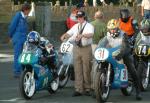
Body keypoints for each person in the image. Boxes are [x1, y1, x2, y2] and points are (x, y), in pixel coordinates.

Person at [97, 19, 142, 100]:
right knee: (100, 64)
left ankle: (138, 92)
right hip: (113, 52)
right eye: (110, 29)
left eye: (114, 28)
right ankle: (98, 89)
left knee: (132, 69)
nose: (112, 30)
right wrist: (98, 49)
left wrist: (120, 54)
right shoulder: (107, 35)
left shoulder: (123, 34)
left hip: (125, 52)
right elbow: (101, 43)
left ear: (117, 28)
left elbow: (124, 47)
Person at [60, 10, 94, 96]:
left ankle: (87, 88)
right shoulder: (76, 26)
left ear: (84, 17)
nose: (79, 19)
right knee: (77, 69)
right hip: (76, 48)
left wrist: (82, 35)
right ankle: (78, 89)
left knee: (86, 69)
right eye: (78, 17)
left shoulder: (89, 25)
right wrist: (64, 35)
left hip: (86, 48)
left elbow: (91, 34)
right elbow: (69, 33)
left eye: (80, 17)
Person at [8, 2, 31, 78]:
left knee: (22, 56)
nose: (29, 12)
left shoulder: (25, 17)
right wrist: (10, 36)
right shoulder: (18, 15)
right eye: (29, 10)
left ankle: (21, 71)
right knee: (17, 55)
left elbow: (26, 29)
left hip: (23, 39)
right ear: (25, 10)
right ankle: (17, 72)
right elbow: (12, 26)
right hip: (18, 39)